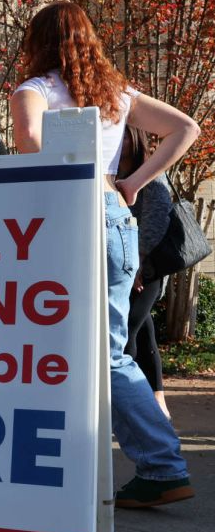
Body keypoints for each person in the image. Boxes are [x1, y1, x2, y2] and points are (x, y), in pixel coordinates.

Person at [11, 0, 198, 508]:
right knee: (98, 350)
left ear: (38, 42)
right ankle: (107, 460)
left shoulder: (35, 90)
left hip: (65, 223)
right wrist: (132, 182)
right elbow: (187, 127)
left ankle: (161, 465)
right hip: (116, 218)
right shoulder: (116, 94)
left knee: (89, 353)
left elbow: (27, 141)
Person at [118, 128, 173, 421]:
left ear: (137, 138)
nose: (120, 141)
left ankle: (132, 409)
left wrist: (137, 259)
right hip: (121, 267)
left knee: (124, 335)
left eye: (126, 136)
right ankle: (158, 403)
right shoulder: (109, 173)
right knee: (144, 331)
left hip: (146, 269)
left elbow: (157, 217)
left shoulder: (149, 172)